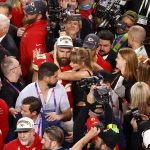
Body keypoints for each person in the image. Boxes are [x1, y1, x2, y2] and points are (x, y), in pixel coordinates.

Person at [33, 35, 73, 107]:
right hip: (46, 104)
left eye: (68, 52)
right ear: (56, 49)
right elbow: (35, 86)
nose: (65, 55)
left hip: (69, 106)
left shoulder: (76, 63)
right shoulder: (43, 59)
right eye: (62, 51)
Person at [58, 48, 94, 120]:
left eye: (74, 62)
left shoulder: (84, 74)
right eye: (71, 61)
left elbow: (58, 75)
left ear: (83, 62)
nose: (71, 64)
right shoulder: (80, 71)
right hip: (78, 108)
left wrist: (56, 60)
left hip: (83, 110)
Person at [19, 0, 47, 83]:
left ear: (39, 16)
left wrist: (28, 81)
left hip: (29, 76)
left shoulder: (36, 33)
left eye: (30, 12)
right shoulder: (34, 25)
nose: (26, 13)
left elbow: (35, 62)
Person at [123, 82, 150, 150]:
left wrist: (135, 131)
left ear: (133, 97)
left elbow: (128, 145)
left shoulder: (128, 116)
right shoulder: (128, 116)